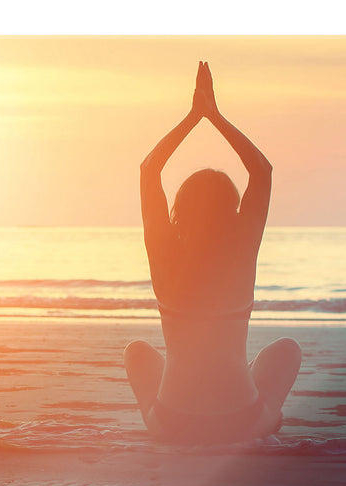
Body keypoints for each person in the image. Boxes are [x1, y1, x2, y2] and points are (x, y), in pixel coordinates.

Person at [126, 62, 302, 445]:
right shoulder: (242, 252)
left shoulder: (163, 256)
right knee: (287, 350)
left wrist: (194, 117)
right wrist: (215, 117)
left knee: (137, 352)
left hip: (173, 424)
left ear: (179, 211)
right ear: (232, 212)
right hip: (241, 421)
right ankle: (268, 416)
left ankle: (160, 420)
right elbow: (262, 171)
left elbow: (148, 170)